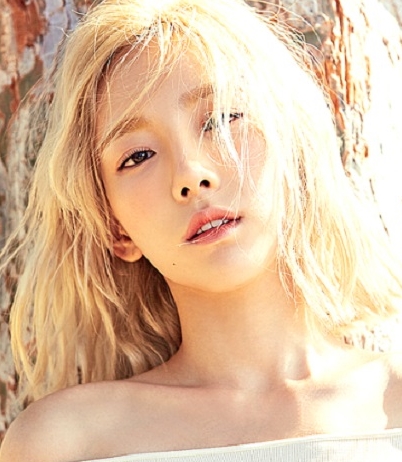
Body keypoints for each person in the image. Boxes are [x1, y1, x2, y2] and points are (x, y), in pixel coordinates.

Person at [1, 0, 402, 460]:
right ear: (116, 228)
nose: (191, 176)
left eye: (221, 119)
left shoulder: (394, 403)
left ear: (293, 147)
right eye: (137, 156)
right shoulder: (67, 441)